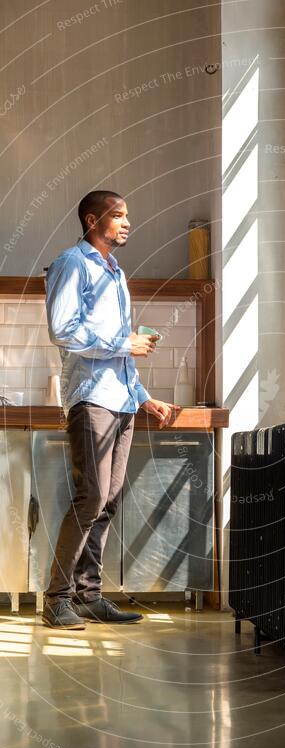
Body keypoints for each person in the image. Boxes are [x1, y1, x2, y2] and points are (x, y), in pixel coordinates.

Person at [42, 190, 176, 629]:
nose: (127, 222)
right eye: (118, 215)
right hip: (91, 398)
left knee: (108, 502)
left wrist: (143, 397)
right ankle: (56, 600)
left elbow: (122, 354)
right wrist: (125, 343)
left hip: (121, 401)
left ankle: (88, 596)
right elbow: (63, 330)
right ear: (91, 219)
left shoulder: (115, 274)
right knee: (91, 498)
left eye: (127, 216)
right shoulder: (71, 263)